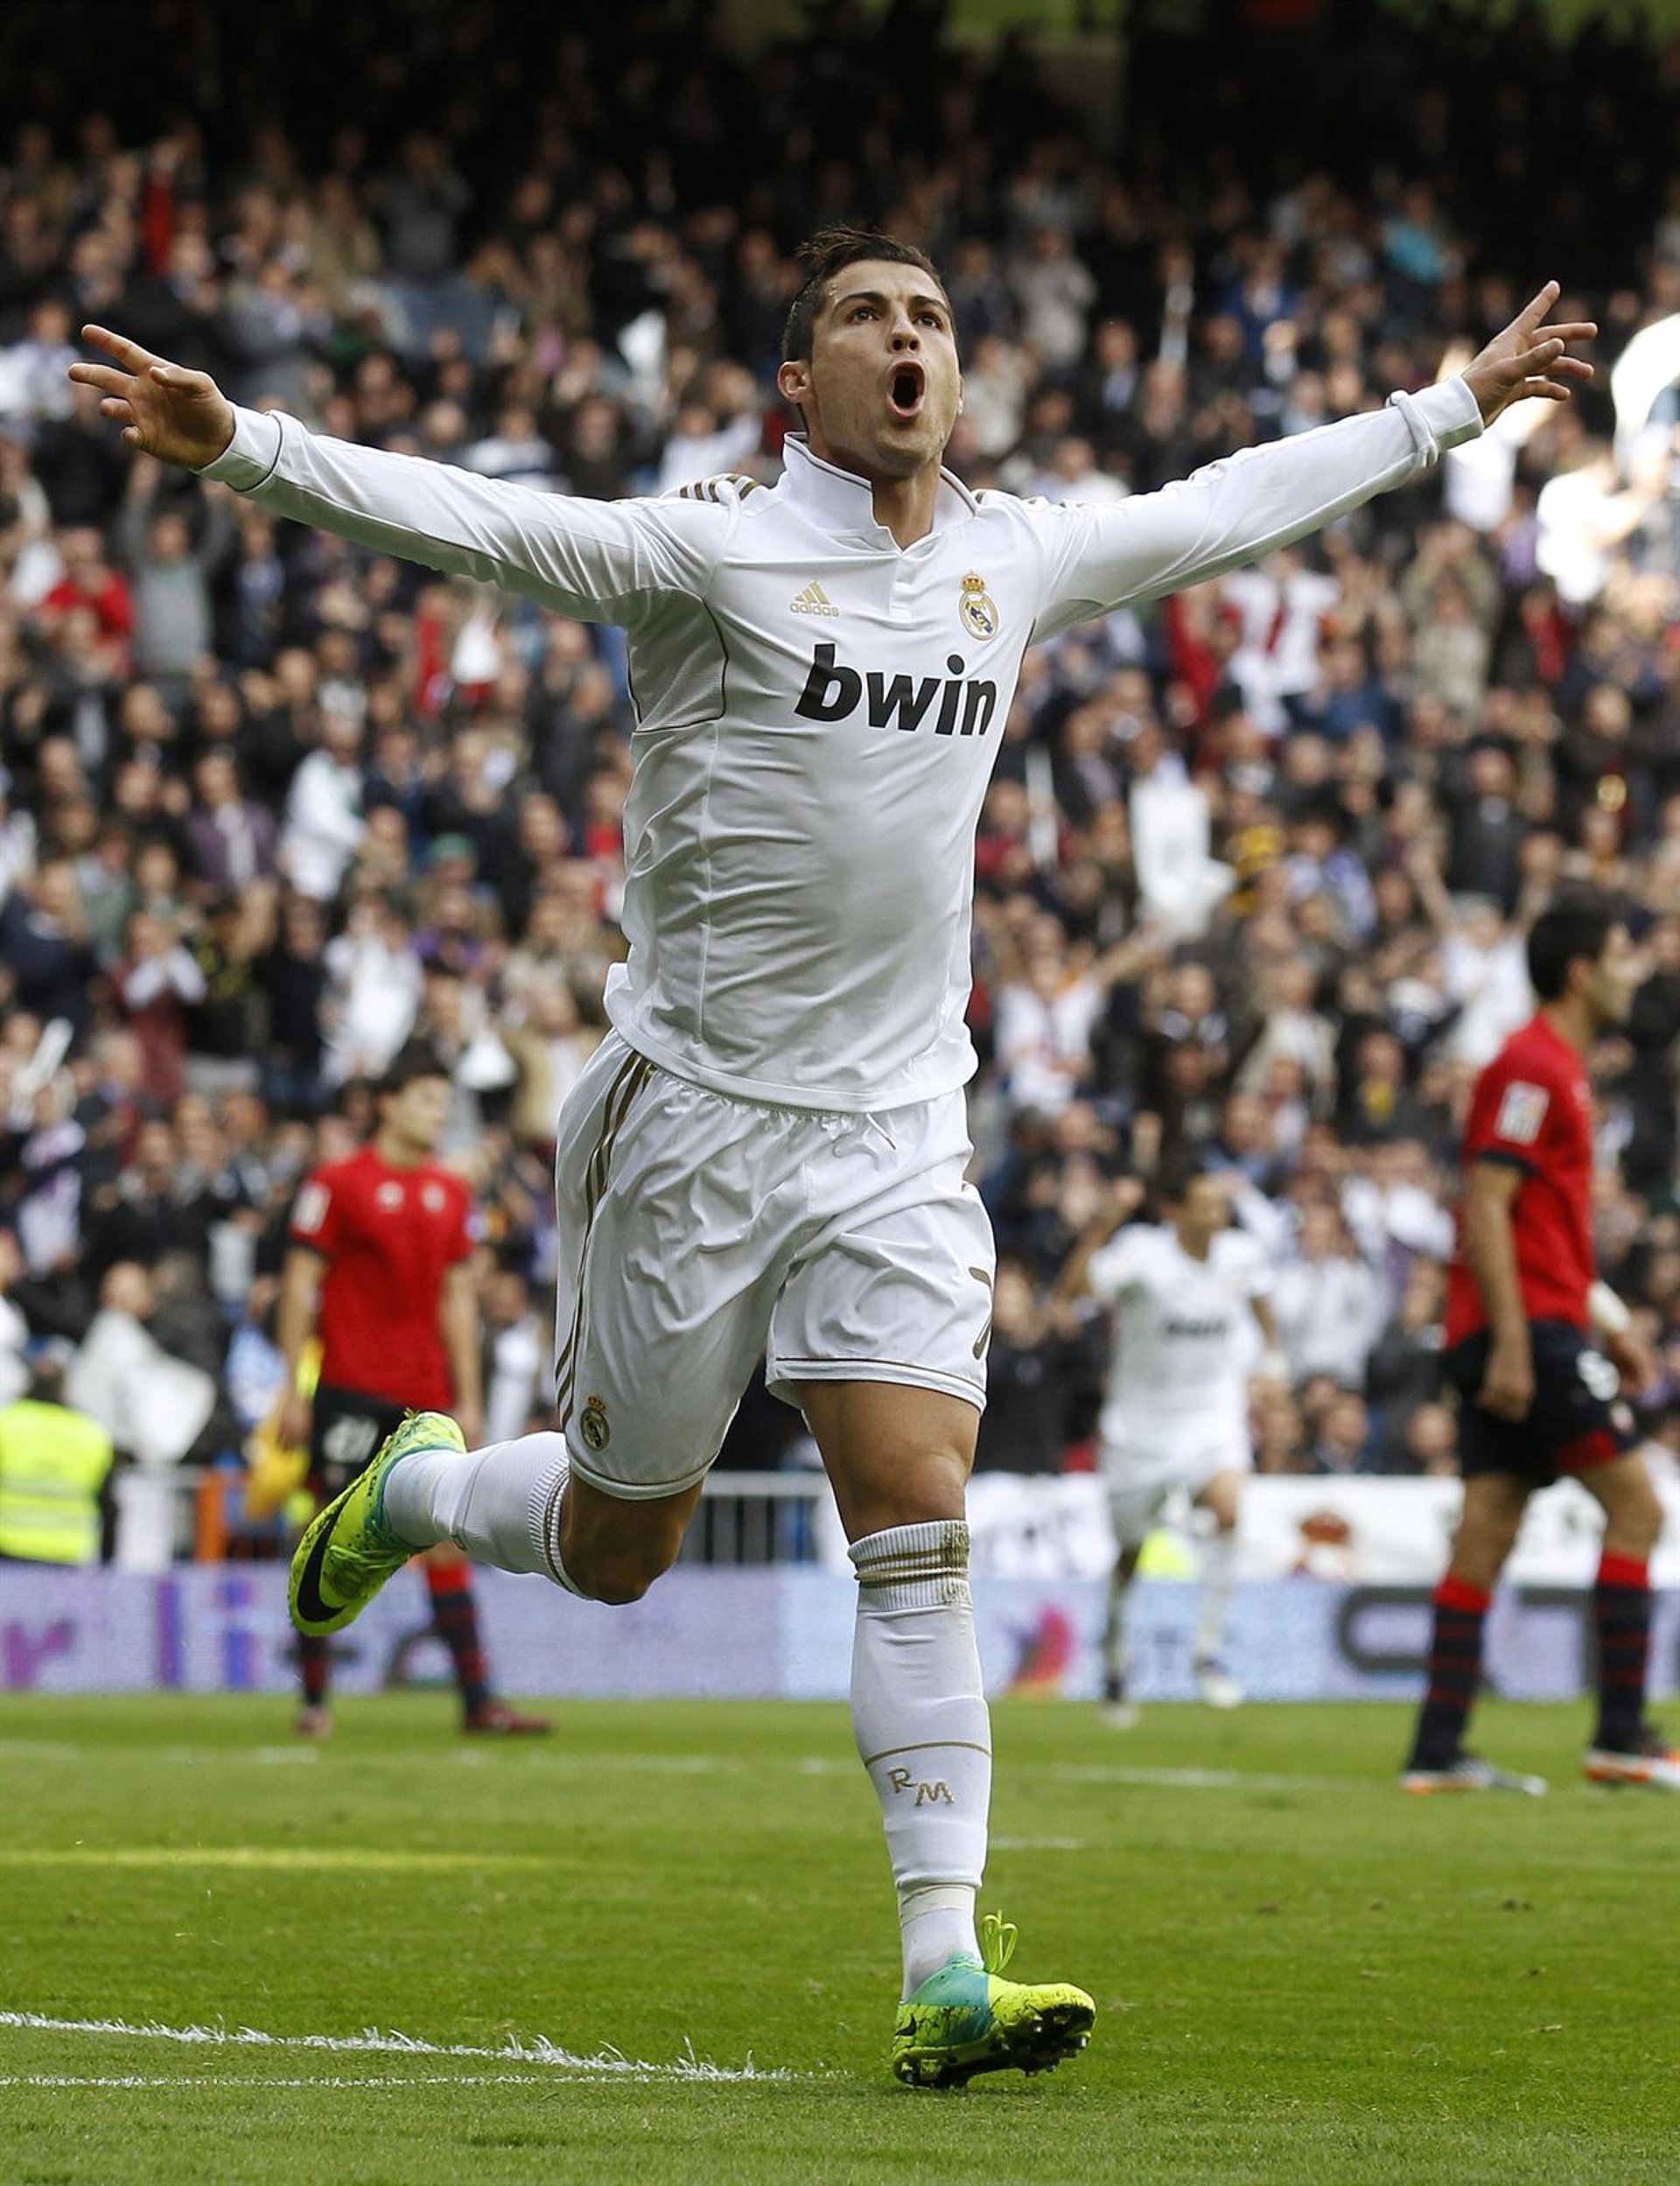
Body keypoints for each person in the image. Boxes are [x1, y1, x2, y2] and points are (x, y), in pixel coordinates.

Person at [73, 230, 1592, 2085]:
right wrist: (243, 447)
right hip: (693, 1119)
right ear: (801, 382)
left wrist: (1448, 409)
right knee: (621, 1543)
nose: (910, 338)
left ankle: (943, 1965)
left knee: (918, 1521)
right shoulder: (711, 551)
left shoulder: (1008, 557)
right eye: (870, 316)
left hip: (895, 1127)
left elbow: (1219, 509)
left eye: (932, 316)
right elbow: (479, 522)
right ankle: (419, 1493)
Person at [1404, 898, 1676, 1794]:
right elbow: (1485, 1205)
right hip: (1524, 1333)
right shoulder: (1530, 1066)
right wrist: (1519, 1345)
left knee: (1486, 1532)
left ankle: (1437, 1750)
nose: (1633, 972)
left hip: (1536, 1323)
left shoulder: (1560, 1069)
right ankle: (1623, 1736)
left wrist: (1611, 1321)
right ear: (1580, 971)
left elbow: (1540, 1230)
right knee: (1638, 1508)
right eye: (1622, 954)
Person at [276, 1042, 549, 1740]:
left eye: (444, 1103)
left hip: (423, 1400)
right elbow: (300, 1286)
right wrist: (290, 1389)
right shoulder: (337, 1183)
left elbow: (458, 1299)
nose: (437, 1114)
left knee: (445, 1539)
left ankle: (478, 1702)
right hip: (347, 1388)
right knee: (325, 1533)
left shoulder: (449, 1193)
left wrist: (468, 1397)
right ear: (388, 1103)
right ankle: (314, 1700)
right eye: (426, 1100)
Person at [1057, 1167, 1281, 1724]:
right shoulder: (1141, 1254)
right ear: (1174, 1211)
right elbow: (1075, 1292)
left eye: (1220, 1204)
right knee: (1131, 1553)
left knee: (1229, 1508)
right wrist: (1103, 1226)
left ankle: (1208, 1651)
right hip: (1139, 1430)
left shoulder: (1241, 1255)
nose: (1217, 1215)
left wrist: (1275, 1361)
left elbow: (1262, 1306)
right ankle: (1114, 1647)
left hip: (1211, 1416)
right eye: (1204, 1204)